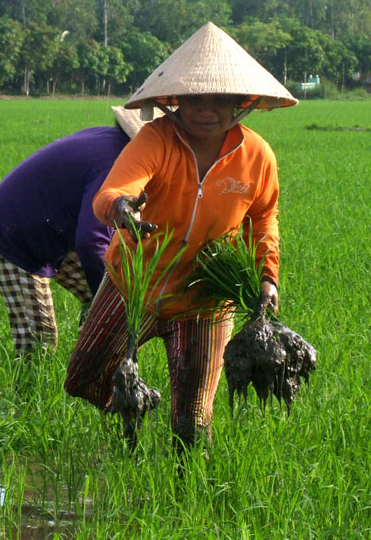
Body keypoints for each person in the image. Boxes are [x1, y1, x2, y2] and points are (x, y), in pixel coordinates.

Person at [63, 22, 298, 449]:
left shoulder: (256, 155)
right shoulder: (156, 140)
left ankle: (184, 494)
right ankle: (136, 405)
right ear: (176, 101)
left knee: (192, 421)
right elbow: (113, 192)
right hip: (135, 283)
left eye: (218, 100)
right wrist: (122, 209)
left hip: (205, 297)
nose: (206, 109)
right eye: (195, 98)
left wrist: (268, 275)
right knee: (83, 377)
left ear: (238, 103)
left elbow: (264, 217)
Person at [0, 107, 145, 358]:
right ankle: (28, 391)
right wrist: (109, 308)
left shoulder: (112, 141)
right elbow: (91, 241)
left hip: (50, 228)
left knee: (107, 295)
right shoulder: (116, 162)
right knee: (39, 337)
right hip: (12, 230)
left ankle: (91, 362)